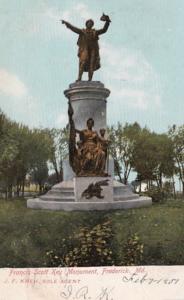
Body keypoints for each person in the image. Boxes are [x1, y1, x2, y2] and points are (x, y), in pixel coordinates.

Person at [61, 14, 111, 81]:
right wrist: (67, 23)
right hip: (85, 49)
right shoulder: (82, 31)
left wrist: (107, 22)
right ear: (86, 24)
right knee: (83, 62)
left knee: (91, 65)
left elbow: (104, 30)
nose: (90, 24)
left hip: (93, 49)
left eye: (91, 23)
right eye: (89, 23)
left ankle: (90, 79)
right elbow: (74, 28)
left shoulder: (95, 32)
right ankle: (79, 78)